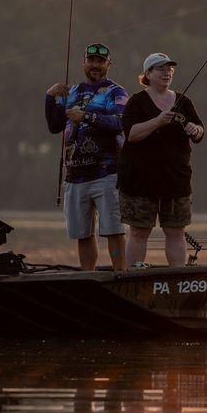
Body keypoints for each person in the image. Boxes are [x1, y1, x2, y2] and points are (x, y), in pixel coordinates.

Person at [46, 42, 129, 271]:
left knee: (113, 229)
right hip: (75, 175)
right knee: (82, 233)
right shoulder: (70, 92)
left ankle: (121, 275)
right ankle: (87, 276)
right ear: (84, 63)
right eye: (90, 60)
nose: (95, 65)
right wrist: (49, 98)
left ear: (108, 64)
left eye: (100, 61)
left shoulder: (116, 92)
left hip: (107, 173)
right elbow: (54, 126)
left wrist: (86, 117)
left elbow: (121, 123)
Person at [118, 53, 205, 268]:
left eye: (170, 70)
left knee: (176, 231)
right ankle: (133, 276)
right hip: (140, 181)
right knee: (138, 232)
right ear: (148, 74)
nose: (167, 73)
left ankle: (177, 277)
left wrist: (196, 130)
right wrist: (157, 121)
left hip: (176, 180)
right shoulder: (136, 102)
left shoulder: (184, 102)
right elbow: (131, 134)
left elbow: (200, 131)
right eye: (161, 69)